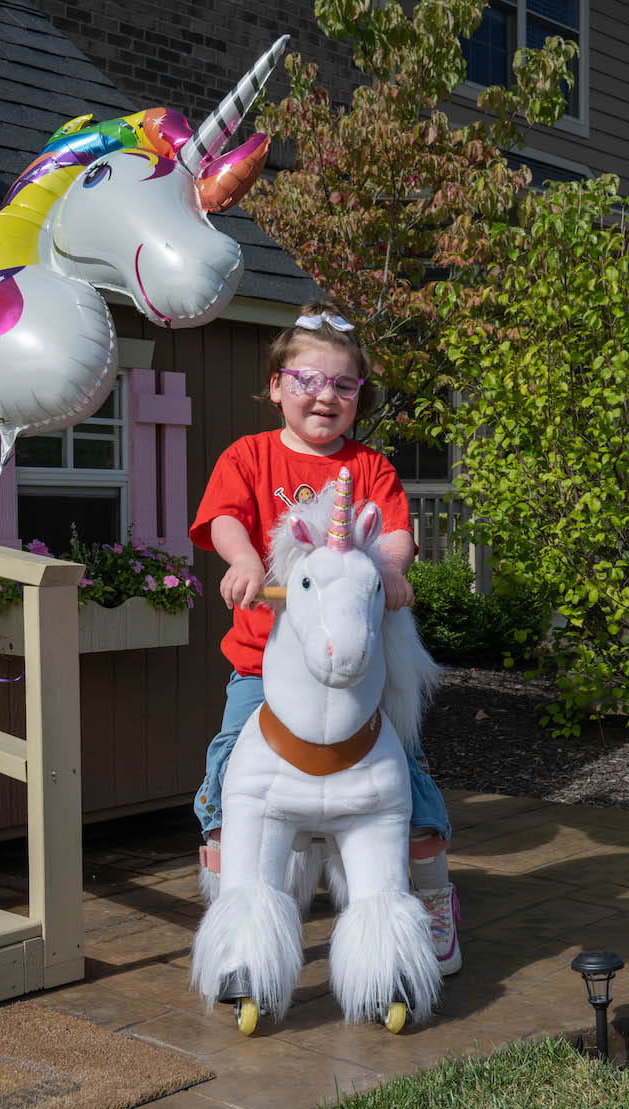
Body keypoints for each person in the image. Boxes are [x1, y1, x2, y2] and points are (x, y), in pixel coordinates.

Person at [190, 301, 461, 976]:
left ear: (358, 397)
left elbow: (394, 532)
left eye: (344, 385)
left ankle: (429, 900)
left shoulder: (368, 469)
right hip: (265, 665)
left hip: (361, 672)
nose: (325, 396)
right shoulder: (248, 457)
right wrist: (246, 560)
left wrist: (392, 570)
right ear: (277, 385)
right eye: (308, 380)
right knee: (227, 778)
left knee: (409, 776)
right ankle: (238, 914)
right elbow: (224, 519)